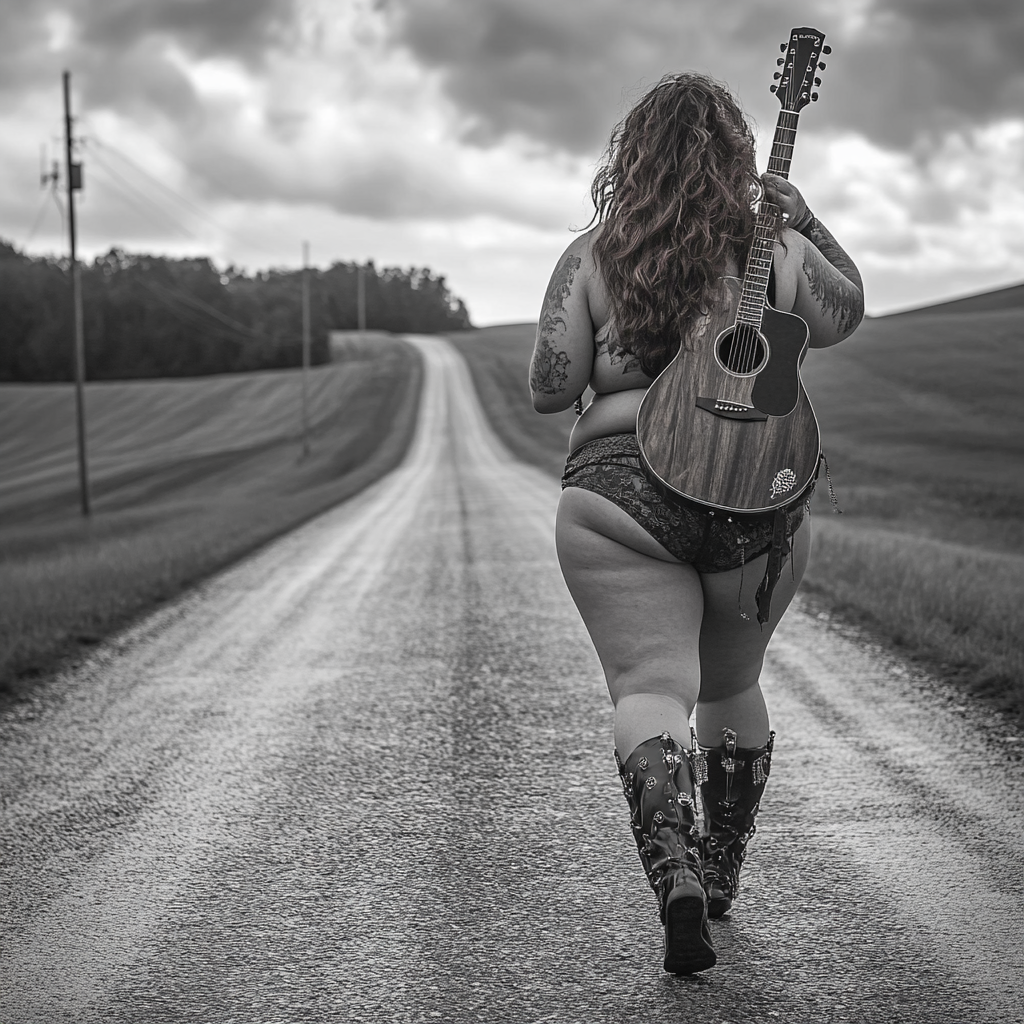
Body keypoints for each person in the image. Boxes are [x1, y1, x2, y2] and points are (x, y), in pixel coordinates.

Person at [528, 73, 864, 975]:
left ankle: (671, 865)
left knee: (650, 685)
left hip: (620, 494)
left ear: (627, 157)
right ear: (738, 160)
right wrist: (806, 218)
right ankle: (720, 871)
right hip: (757, 494)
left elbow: (549, 387)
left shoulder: (595, 254)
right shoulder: (778, 250)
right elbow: (846, 313)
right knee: (732, 683)